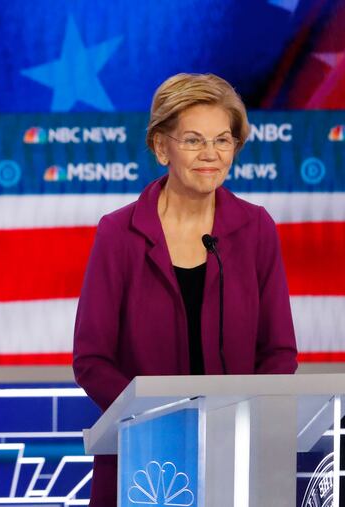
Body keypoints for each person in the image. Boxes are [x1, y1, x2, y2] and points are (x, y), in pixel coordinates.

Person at [72, 73, 298, 506]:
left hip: (235, 452)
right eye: (193, 140)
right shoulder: (119, 233)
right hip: (144, 460)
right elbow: (92, 359)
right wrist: (155, 422)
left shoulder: (256, 229)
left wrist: (240, 418)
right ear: (161, 147)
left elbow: (279, 351)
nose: (211, 154)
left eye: (223, 140)